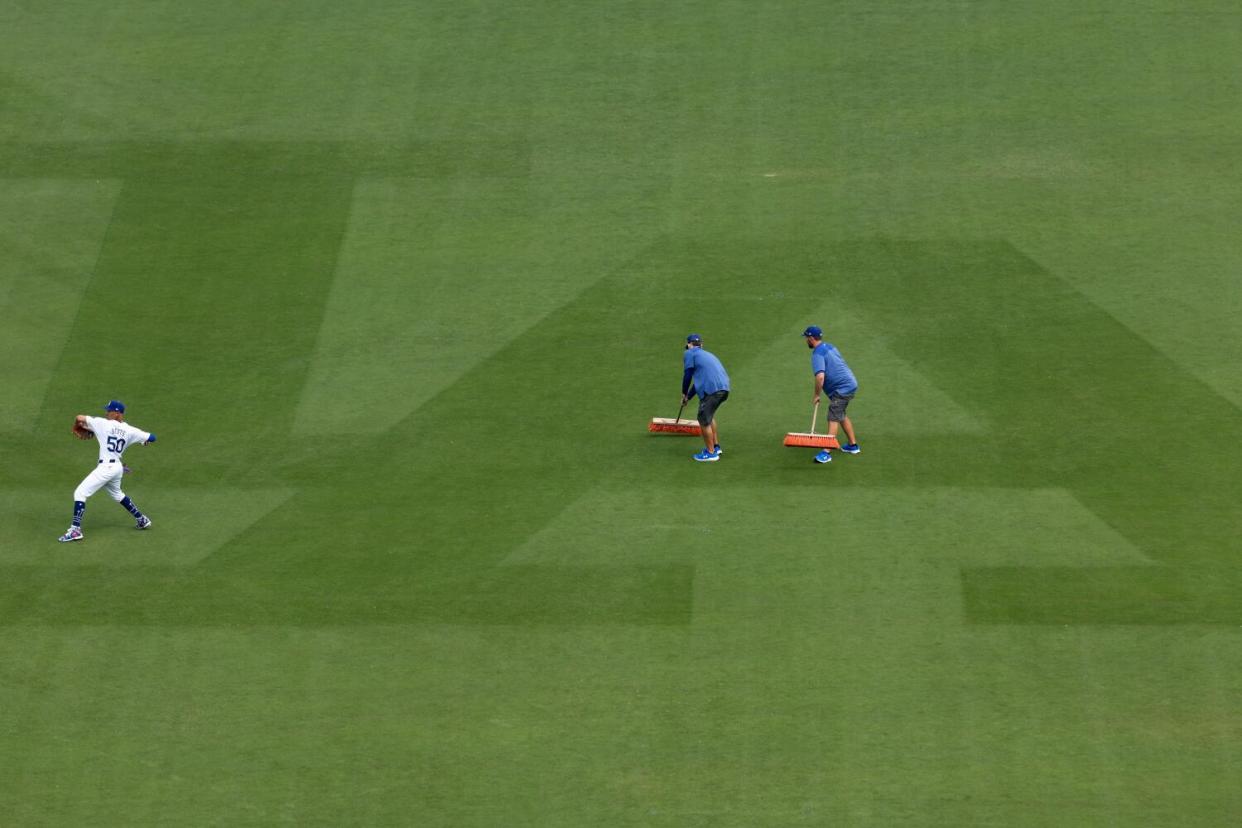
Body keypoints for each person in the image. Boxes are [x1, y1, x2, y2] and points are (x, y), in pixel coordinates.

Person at [58, 400, 157, 542]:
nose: (106, 413)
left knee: (80, 493)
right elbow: (152, 437)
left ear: (117, 413)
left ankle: (75, 530)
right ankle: (141, 519)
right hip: (117, 467)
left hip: (106, 468)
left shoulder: (102, 424)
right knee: (117, 494)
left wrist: (77, 425)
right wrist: (144, 441)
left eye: (109, 411)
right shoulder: (130, 430)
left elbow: (79, 417)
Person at [803, 325, 861, 464]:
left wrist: (817, 394)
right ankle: (853, 446)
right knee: (840, 414)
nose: (806, 341)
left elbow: (820, 377)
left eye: (806, 338)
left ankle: (826, 452)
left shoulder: (817, 353)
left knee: (833, 416)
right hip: (850, 383)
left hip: (842, 389)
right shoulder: (830, 346)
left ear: (811, 338)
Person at [681, 334, 730, 462]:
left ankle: (711, 453)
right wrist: (688, 397)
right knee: (709, 415)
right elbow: (698, 382)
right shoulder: (707, 355)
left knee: (703, 419)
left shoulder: (689, 353)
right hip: (724, 388)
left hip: (712, 390)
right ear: (701, 345)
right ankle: (715, 446)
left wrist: (683, 392)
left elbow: (687, 375)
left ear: (689, 344)